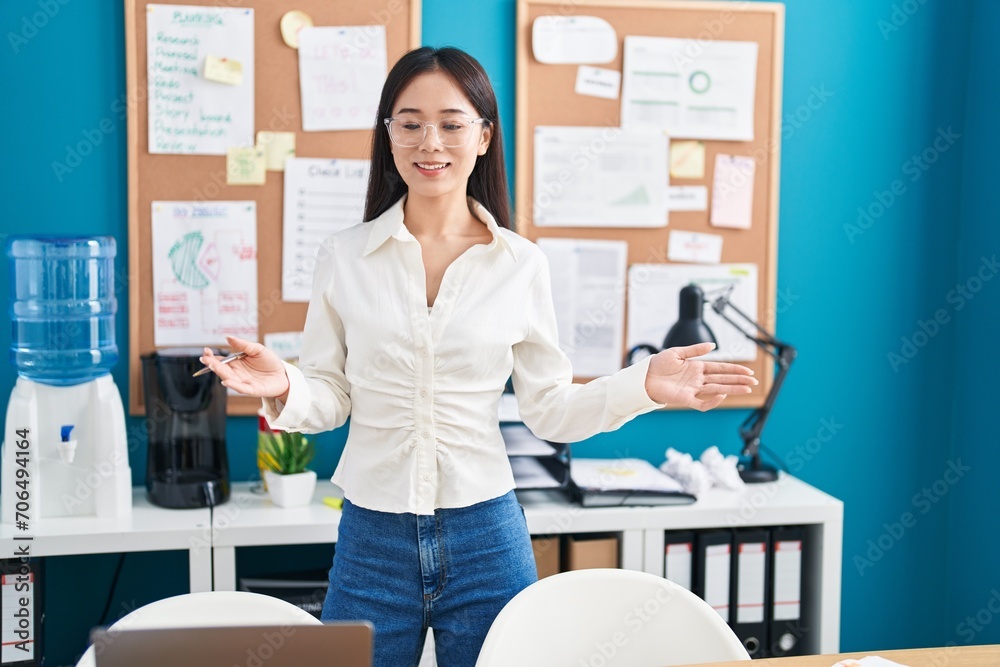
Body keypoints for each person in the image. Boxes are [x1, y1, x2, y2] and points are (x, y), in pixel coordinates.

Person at [199, 46, 757, 667]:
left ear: (484, 135)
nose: (428, 141)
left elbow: (548, 411)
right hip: (371, 537)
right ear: (388, 136)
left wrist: (642, 386)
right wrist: (285, 384)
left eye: (451, 123)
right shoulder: (344, 256)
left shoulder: (521, 264)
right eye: (408, 124)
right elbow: (332, 398)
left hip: (486, 534)